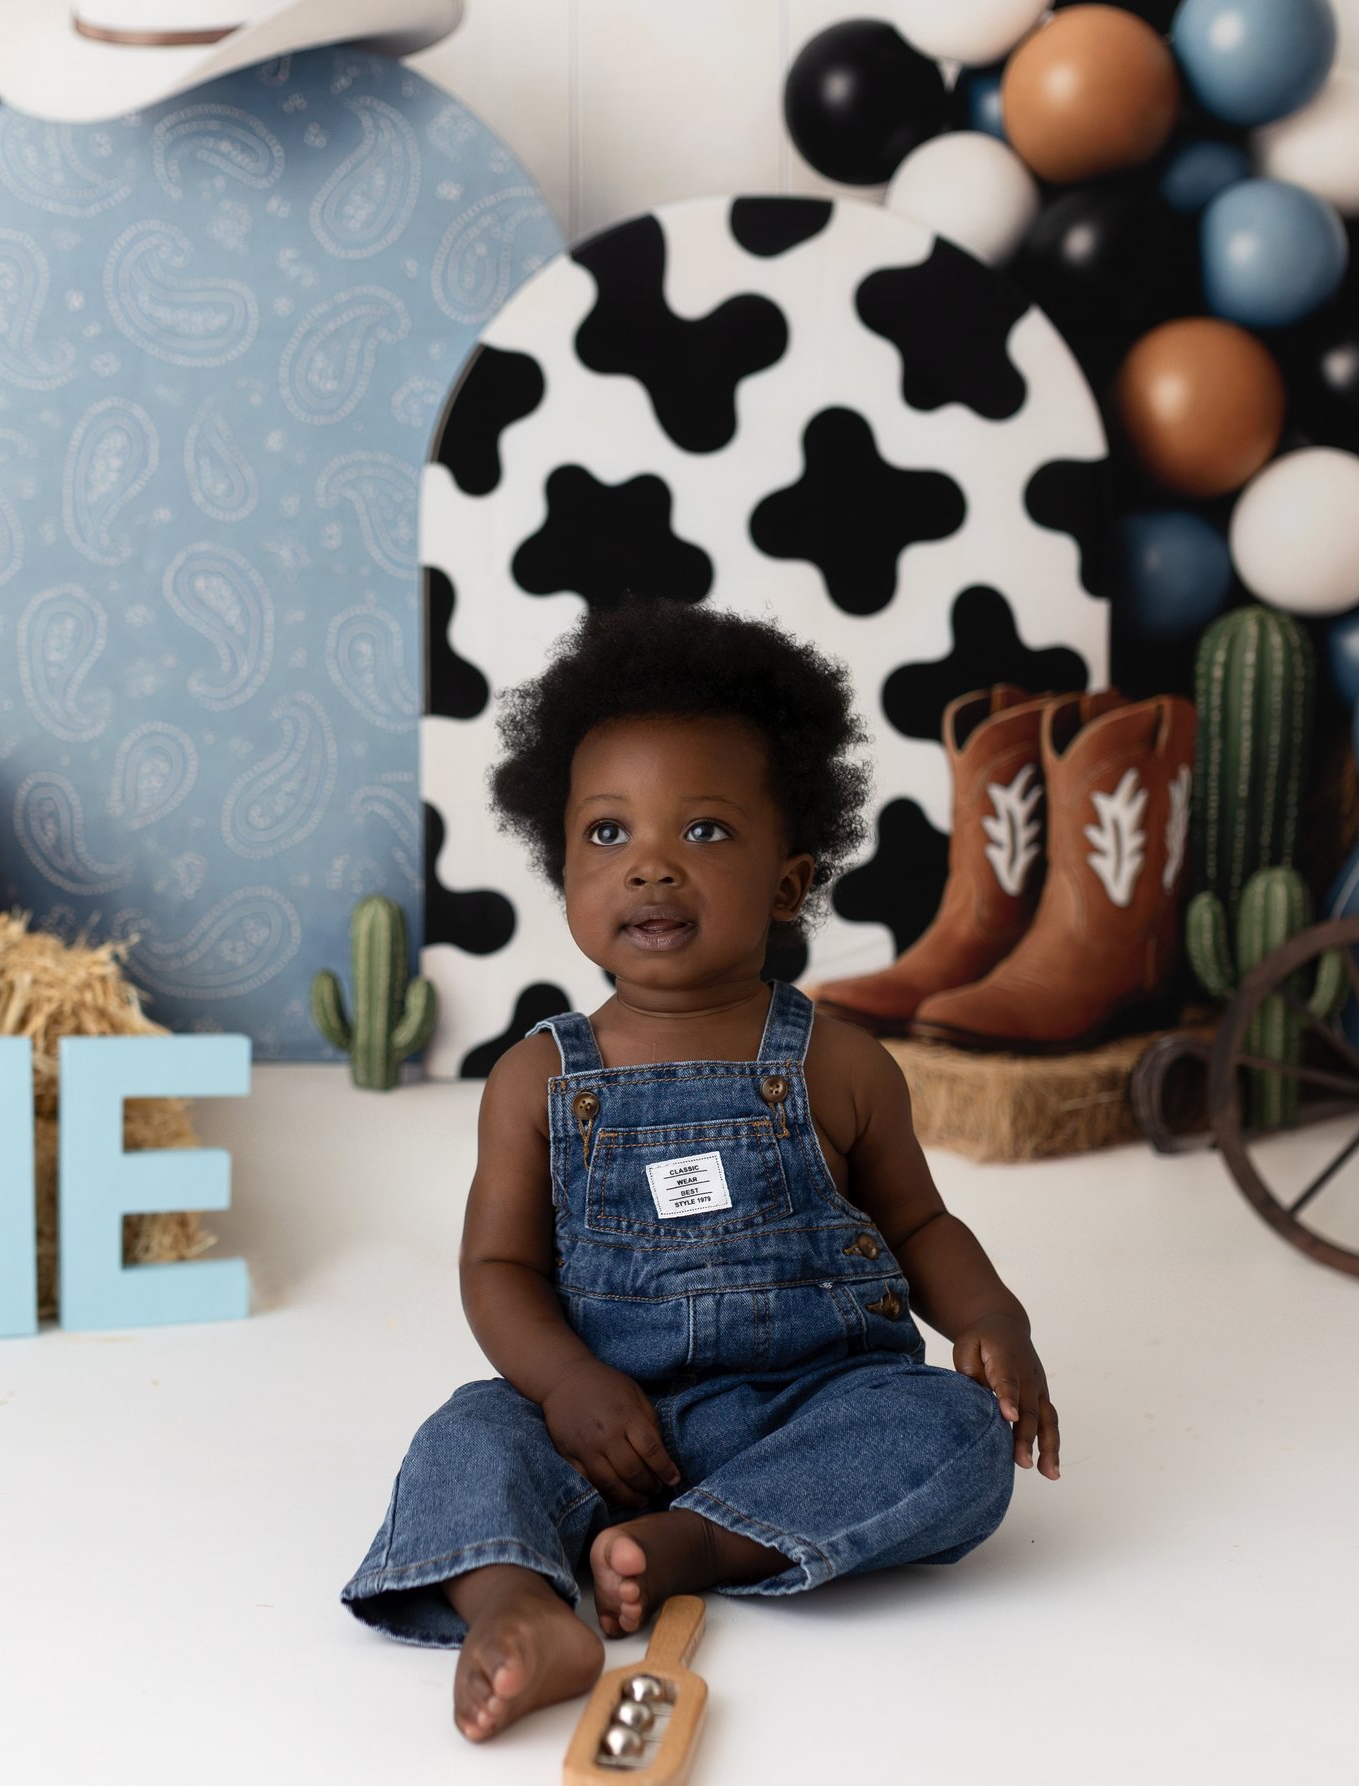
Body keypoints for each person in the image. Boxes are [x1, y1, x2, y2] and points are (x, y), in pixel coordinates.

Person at [342, 602, 1060, 1741]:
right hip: (601, 1421)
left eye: (707, 831)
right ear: (563, 868)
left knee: (957, 1433)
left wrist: (991, 1318)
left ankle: (702, 1542)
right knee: (469, 1431)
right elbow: (497, 1268)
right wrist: (565, 1385)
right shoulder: (536, 1081)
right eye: (607, 833)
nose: (651, 867)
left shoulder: (838, 1063)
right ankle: (518, 1606)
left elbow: (920, 1224)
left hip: (814, 1408)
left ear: (788, 882)